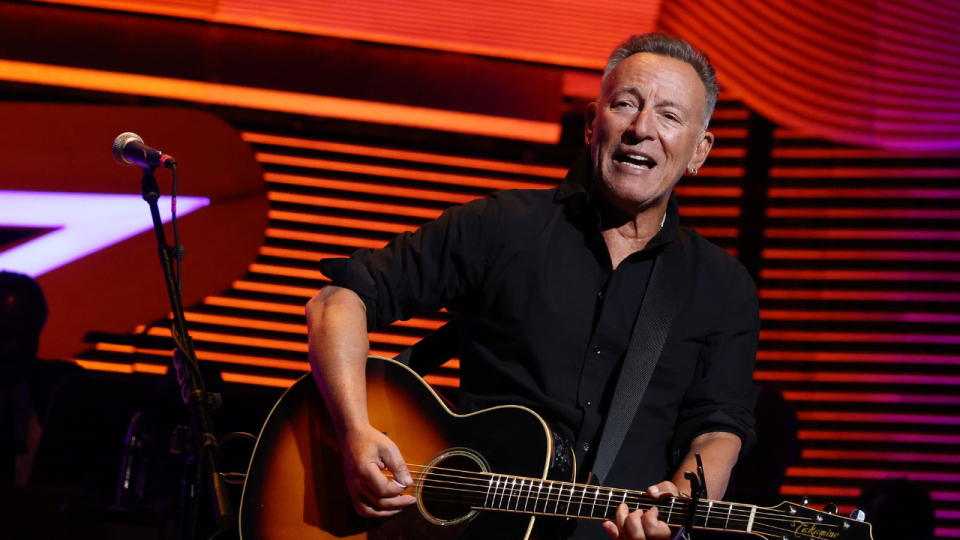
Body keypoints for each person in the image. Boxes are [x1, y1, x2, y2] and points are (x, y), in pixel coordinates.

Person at [306, 33, 759, 540]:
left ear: (700, 151)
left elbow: (719, 428)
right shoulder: (501, 226)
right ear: (592, 123)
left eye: (670, 116)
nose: (641, 128)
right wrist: (353, 432)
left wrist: (679, 508)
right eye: (625, 104)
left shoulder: (721, 285)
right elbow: (339, 300)